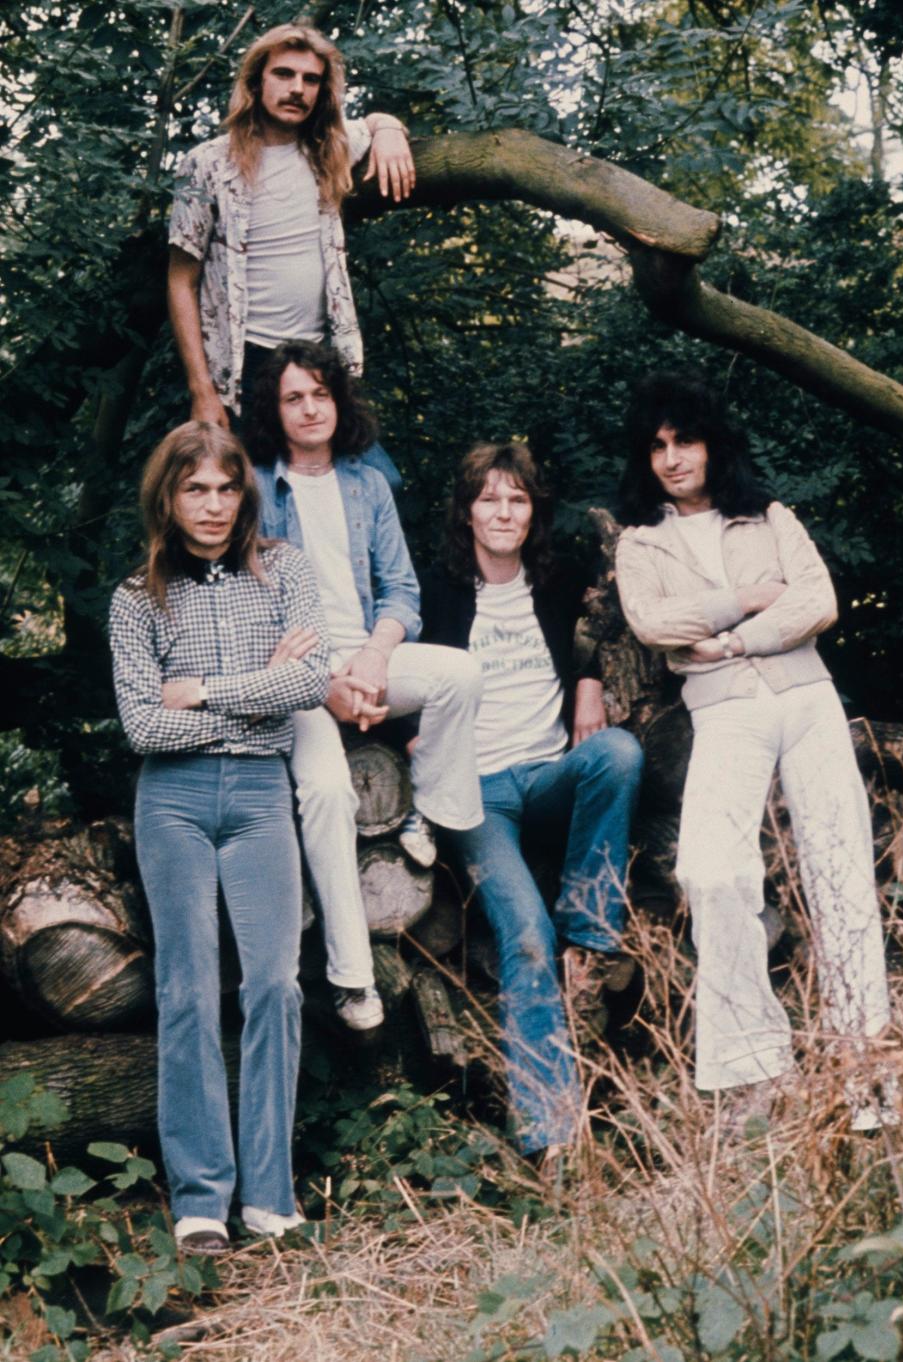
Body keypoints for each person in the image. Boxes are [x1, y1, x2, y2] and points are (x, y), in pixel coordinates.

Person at [614, 371, 893, 1129]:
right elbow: (651, 622)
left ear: (712, 443)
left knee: (839, 871)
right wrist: (746, 597)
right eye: (658, 447)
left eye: (685, 441)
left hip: (805, 698)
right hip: (726, 713)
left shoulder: (767, 514)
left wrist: (733, 637)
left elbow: (819, 601)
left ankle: (865, 1076)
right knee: (711, 871)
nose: (672, 459)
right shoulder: (640, 542)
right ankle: (754, 1069)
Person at [109, 421, 333, 1254]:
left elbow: (309, 680)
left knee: (275, 983)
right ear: (167, 496)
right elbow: (140, 724)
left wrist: (199, 692)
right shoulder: (138, 599)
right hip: (170, 804)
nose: (211, 504)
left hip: (259, 797)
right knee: (190, 991)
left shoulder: (283, 573)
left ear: (246, 495)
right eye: (194, 488)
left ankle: (270, 1195)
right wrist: (257, 690)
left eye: (226, 487)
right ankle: (201, 1199)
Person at [248, 340, 484, 1032]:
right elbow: (255, 614)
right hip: (297, 674)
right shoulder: (257, 489)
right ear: (275, 409)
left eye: (321, 393)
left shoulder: (366, 485)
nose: (310, 407)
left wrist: (377, 660)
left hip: (365, 657)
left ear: (339, 402)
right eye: (294, 396)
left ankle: (425, 814)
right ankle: (354, 979)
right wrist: (324, 684)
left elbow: (402, 592)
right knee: (325, 791)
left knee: (460, 674)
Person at [420, 442, 644, 1158]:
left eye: (517, 499)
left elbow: (600, 633)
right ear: (468, 511)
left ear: (533, 513)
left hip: (548, 774)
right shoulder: (440, 592)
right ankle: (551, 1135)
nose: (504, 512)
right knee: (522, 935)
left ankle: (593, 927)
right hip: (476, 794)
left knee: (619, 752)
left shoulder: (556, 583)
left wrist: (587, 681)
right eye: (490, 498)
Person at [167, 21, 412, 489]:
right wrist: (202, 391)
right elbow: (182, 280)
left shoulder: (330, 150)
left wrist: (391, 132)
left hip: (317, 359)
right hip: (247, 366)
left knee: (378, 483)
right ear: (257, 81)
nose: (297, 88)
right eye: (284, 74)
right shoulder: (206, 164)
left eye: (311, 79)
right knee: (255, 499)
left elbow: (376, 123)